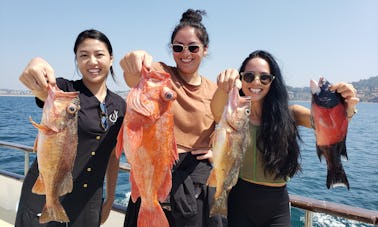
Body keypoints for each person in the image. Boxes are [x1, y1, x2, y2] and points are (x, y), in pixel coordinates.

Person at [211, 50, 359, 226]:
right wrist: (223, 86)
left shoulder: (292, 113)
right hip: (239, 201)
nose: (256, 82)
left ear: (273, 81)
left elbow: (325, 123)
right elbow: (216, 110)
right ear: (241, 79)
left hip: (277, 206)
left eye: (264, 77)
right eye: (249, 76)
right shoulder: (233, 117)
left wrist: (347, 108)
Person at [119, 9, 224, 227]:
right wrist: (133, 61)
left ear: (205, 50)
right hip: (152, 172)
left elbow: (227, 130)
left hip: (194, 184)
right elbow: (133, 78)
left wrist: (217, 154)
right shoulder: (160, 74)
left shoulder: (215, 91)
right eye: (178, 47)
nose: (185, 53)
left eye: (193, 47)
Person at [15, 29, 126, 227]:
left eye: (99, 54)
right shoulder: (64, 91)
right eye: (83, 55)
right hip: (44, 193)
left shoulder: (119, 105)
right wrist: (36, 63)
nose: (92, 61)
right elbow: (43, 91)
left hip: (88, 200)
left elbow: (113, 156)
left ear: (111, 59)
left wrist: (109, 200)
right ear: (76, 60)